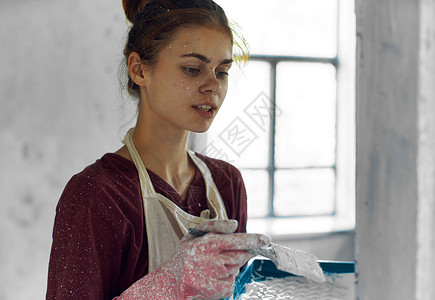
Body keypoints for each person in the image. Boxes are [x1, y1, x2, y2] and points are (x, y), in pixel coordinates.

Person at [46, 0, 270, 299]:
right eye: (192, 69)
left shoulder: (227, 183)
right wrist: (166, 285)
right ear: (139, 70)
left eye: (222, 71)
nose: (212, 86)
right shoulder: (96, 196)